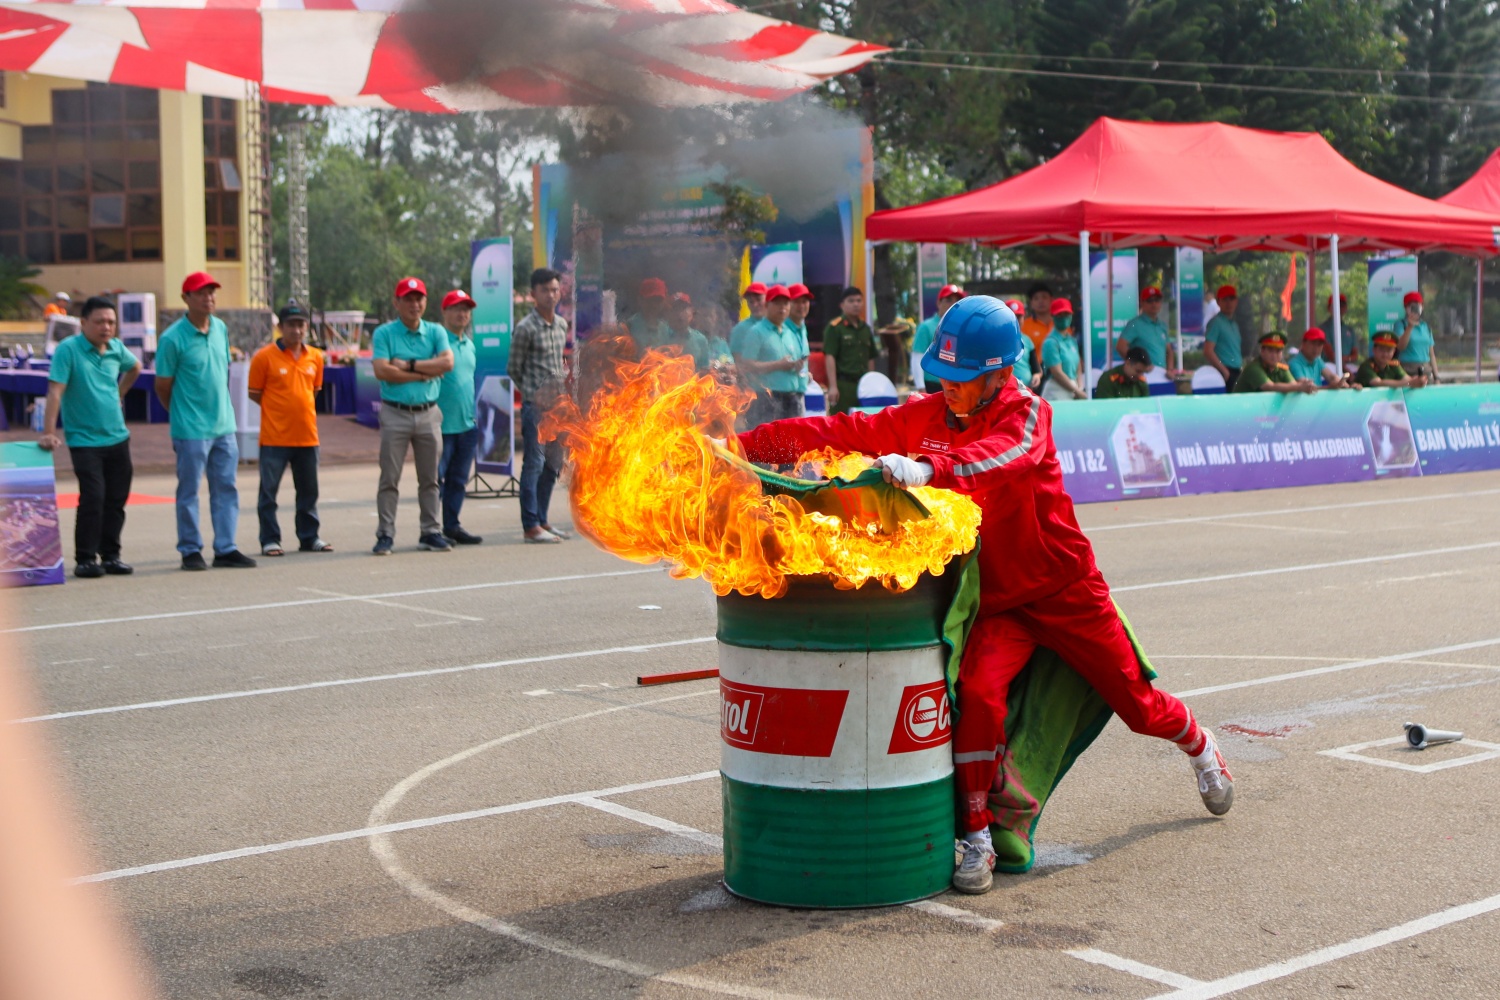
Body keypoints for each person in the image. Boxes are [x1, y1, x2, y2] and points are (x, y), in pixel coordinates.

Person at [736, 295, 1233, 896]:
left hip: (1066, 590)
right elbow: (842, 430)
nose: (946, 385)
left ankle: (1200, 746)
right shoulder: (929, 414)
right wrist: (746, 445)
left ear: (1000, 375)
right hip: (998, 600)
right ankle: (974, 837)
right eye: (941, 374)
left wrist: (928, 470)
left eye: (961, 378)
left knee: (1138, 706)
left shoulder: (1028, 414)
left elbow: (1003, 457)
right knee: (976, 696)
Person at [154, 271, 256, 570]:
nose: (208, 297)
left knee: (226, 487)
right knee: (189, 491)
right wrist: (180, 414)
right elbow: (163, 385)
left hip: (224, 425)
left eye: (211, 292)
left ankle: (226, 547)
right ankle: (190, 549)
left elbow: (220, 373)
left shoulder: (220, 328)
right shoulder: (172, 338)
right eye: (200, 292)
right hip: (191, 429)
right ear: (186, 298)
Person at [38, 295, 139, 578]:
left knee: (117, 499)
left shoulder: (116, 348)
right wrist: (48, 433)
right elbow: (55, 392)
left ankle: (111, 555)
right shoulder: (68, 350)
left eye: (111, 322)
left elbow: (135, 368)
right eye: (99, 322)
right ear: (83, 323)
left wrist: (120, 393)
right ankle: (85, 558)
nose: (106, 327)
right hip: (84, 440)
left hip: (118, 437)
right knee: (93, 496)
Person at [371, 276, 454, 555]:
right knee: (390, 478)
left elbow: (447, 363)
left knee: (430, 478)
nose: (414, 304)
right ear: (397, 302)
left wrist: (407, 366)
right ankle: (385, 533)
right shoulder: (384, 333)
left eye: (418, 298)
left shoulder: (436, 332)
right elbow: (382, 371)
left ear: (425, 302)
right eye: (407, 299)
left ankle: (430, 531)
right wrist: (423, 374)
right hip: (395, 412)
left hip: (429, 412)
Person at [248, 300, 331, 557]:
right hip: (275, 437)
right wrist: (279, 410)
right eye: (291, 325)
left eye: (301, 324)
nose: (296, 330)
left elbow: (314, 390)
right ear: (281, 327)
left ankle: (309, 537)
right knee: (269, 494)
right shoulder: (264, 357)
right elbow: (255, 393)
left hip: (307, 436)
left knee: (308, 492)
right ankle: (270, 539)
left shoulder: (315, 357)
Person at [510, 268, 571, 543]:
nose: (551, 294)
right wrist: (534, 395)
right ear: (533, 294)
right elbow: (513, 368)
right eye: (545, 290)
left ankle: (544, 521)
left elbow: (559, 364)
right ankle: (530, 524)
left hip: (559, 408)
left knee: (553, 465)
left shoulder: (561, 325)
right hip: (536, 406)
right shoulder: (525, 328)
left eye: (555, 289)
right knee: (533, 462)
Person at [436, 289, 483, 546]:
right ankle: (431, 529)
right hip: (441, 425)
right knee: (435, 481)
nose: (462, 313)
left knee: (458, 480)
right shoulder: (437, 343)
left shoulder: (469, 345)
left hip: (467, 424)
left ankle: (452, 526)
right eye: (456, 308)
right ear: (445, 312)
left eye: (466, 309)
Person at [739, 284, 807, 425]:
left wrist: (797, 366)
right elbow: (747, 366)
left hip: (791, 398)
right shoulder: (756, 332)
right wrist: (778, 365)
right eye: (777, 303)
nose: (782, 307)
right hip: (767, 399)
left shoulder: (790, 333)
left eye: (786, 303)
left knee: (792, 443)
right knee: (767, 444)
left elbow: (793, 362)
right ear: (767, 306)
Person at [822, 286, 878, 414]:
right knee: (842, 425)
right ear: (842, 305)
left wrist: (871, 382)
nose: (856, 304)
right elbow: (830, 356)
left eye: (859, 301)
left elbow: (870, 357)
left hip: (864, 386)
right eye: (851, 301)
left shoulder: (865, 329)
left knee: (865, 423)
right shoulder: (835, 327)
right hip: (843, 386)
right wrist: (833, 386)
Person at [912, 285, 965, 394]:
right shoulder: (926, 327)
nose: (952, 304)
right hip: (932, 387)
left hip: (956, 387)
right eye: (948, 300)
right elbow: (917, 358)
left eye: (957, 301)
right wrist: (921, 388)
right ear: (939, 303)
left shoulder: (962, 328)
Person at [1233, 332, 1317, 394]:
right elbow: (1270, 386)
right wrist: (1300, 386)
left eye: (1278, 351)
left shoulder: (1281, 369)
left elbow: (1293, 385)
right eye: (1270, 350)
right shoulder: (1253, 368)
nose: (1274, 355)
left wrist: (1305, 386)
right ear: (1262, 351)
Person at [1118, 285, 1173, 371]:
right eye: (1149, 301)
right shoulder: (1134, 324)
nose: (1154, 304)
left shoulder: (1162, 326)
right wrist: (1137, 365)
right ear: (1142, 303)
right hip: (1143, 375)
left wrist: (1170, 369)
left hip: (1161, 375)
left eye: (1157, 300)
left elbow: (1169, 351)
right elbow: (1121, 346)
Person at [1041, 298, 1087, 401]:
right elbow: (1057, 373)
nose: (1064, 318)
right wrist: (1077, 391)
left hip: (1072, 388)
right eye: (1059, 315)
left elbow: (1078, 366)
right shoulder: (1050, 342)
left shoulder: (1071, 340)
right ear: (1052, 316)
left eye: (1066, 314)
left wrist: (1079, 386)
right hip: (1056, 390)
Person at [1203, 284, 1244, 391]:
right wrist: (1223, 369)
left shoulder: (1234, 324)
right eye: (1225, 299)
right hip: (1223, 372)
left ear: (1236, 301)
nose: (1228, 303)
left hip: (1236, 371)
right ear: (1218, 302)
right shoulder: (1216, 323)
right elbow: (1208, 350)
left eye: (1232, 299)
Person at [1355, 331, 1427, 388]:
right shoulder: (1366, 366)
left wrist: (1418, 381)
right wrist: (1410, 383)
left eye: (1389, 350)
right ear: (1374, 350)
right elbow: (1378, 383)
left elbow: (1407, 379)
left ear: (1394, 352)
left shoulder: (1394, 364)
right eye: (1382, 350)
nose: (1385, 354)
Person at [664, 292, 712, 371]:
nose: (679, 314)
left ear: (691, 312)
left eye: (683, 308)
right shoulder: (662, 334)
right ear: (668, 313)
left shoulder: (700, 340)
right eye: (675, 309)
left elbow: (704, 370)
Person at [1396, 290, 1436, 382]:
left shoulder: (1426, 326)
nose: (1414, 308)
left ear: (1422, 306)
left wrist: (1436, 376)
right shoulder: (1400, 324)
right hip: (1406, 370)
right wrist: (1410, 327)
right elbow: (1400, 347)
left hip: (1425, 369)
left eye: (1417, 305)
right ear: (1405, 307)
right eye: (1411, 305)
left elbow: (1432, 354)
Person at [1318, 293, 1361, 367]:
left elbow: (1355, 355)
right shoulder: (1323, 328)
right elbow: (1331, 355)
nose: (1339, 308)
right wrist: (1345, 367)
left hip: (1348, 365)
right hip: (1329, 366)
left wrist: (1347, 359)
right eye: (1335, 305)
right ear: (1329, 308)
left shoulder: (1349, 329)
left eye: (1342, 305)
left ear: (1346, 308)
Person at [626, 277, 670, 349]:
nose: (654, 305)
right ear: (640, 300)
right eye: (650, 300)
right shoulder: (629, 326)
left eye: (658, 300)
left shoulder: (666, 329)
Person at [1020, 281, 1052, 358]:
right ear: (1031, 303)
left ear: (1051, 300)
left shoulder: (1061, 324)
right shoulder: (1024, 326)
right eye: (1036, 298)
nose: (1040, 301)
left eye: (1044, 297)